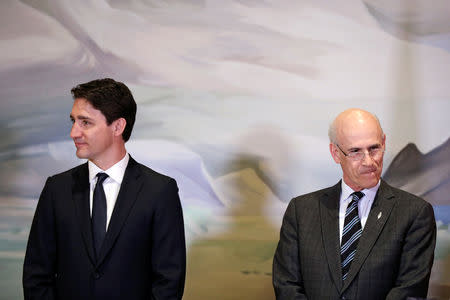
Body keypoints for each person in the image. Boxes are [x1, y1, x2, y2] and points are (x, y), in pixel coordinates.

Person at [23, 78, 186, 300]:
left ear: (118, 126)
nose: (74, 133)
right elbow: (36, 277)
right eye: (73, 121)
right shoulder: (56, 189)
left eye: (85, 122)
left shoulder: (160, 191)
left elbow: (168, 282)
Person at [273, 108, 436, 300]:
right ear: (335, 153)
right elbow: (286, 286)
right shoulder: (301, 211)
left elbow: (409, 291)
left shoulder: (415, 213)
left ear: (384, 142)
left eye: (374, 148)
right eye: (356, 151)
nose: (369, 161)